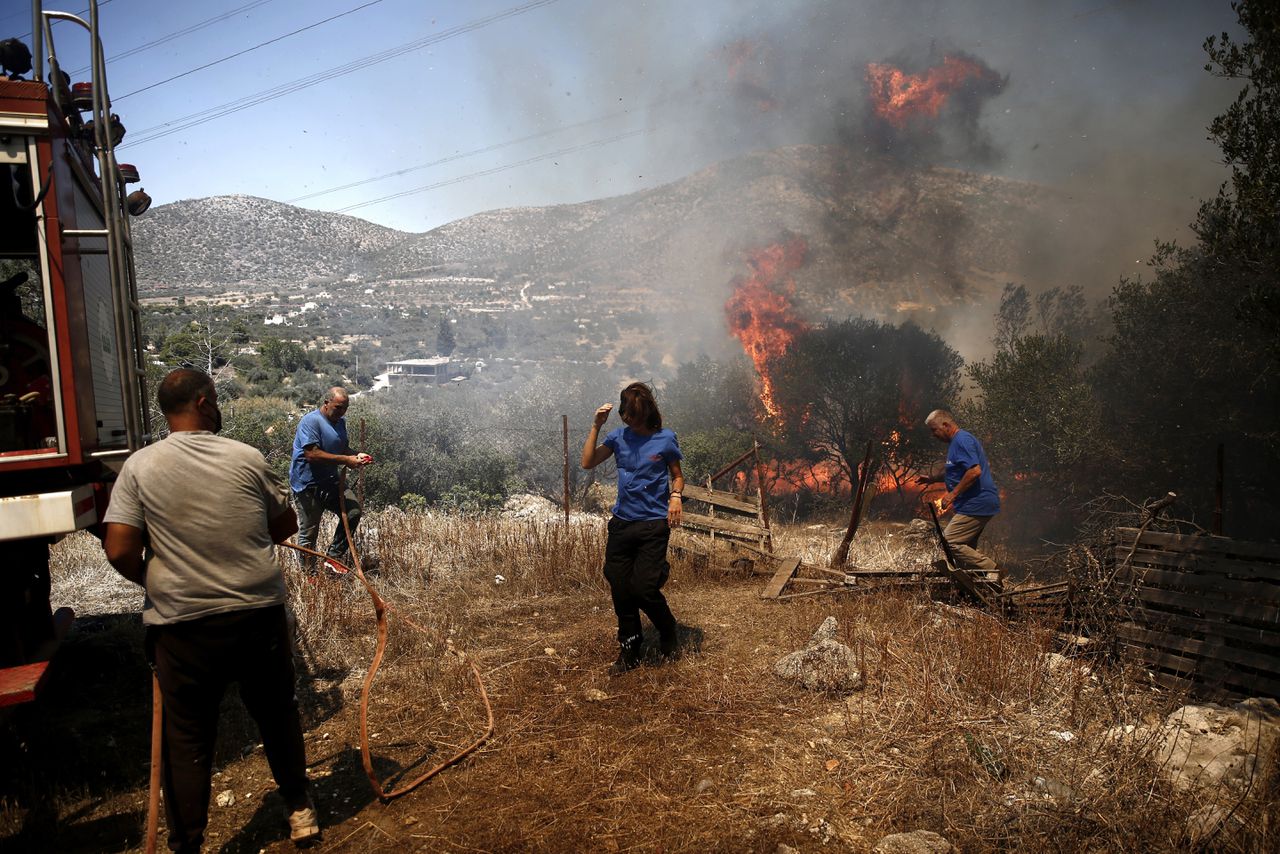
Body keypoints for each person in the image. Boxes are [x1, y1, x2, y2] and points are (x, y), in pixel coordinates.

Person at [102, 369, 319, 852]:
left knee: (188, 737)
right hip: (255, 614)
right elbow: (283, 524)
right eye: (216, 400)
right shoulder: (246, 457)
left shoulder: (139, 467)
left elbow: (119, 548)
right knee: (277, 713)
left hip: (182, 627)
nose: (217, 406)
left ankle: (188, 843)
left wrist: (153, 581)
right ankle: (301, 809)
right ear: (203, 403)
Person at [581, 382, 685, 675]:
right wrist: (596, 426)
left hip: (653, 524)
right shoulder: (618, 438)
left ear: (647, 412)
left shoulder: (665, 439)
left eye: (636, 416)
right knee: (620, 587)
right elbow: (587, 462)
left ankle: (668, 629)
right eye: (628, 416)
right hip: (623, 523)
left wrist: (675, 497)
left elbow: (677, 476)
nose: (632, 422)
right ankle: (630, 649)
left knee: (643, 588)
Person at [289, 387, 372, 572]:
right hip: (308, 485)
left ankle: (333, 558)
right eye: (338, 407)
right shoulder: (310, 422)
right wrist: (346, 460)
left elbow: (342, 449)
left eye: (345, 408)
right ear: (326, 404)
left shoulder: (340, 423)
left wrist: (357, 456)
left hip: (331, 481)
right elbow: (312, 454)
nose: (342, 412)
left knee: (353, 512)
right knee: (309, 532)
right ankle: (309, 574)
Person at [916, 409, 1001, 575]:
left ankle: (992, 571)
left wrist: (952, 494)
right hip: (973, 503)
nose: (933, 435)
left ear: (946, 425)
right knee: (965, 554)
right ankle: (979, 588)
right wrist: (933, 479)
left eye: (934, 430)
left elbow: (974, 471)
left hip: (976, 503)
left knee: (950, 542)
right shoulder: (957, 442)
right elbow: (956, 471)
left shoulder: (962, 440)